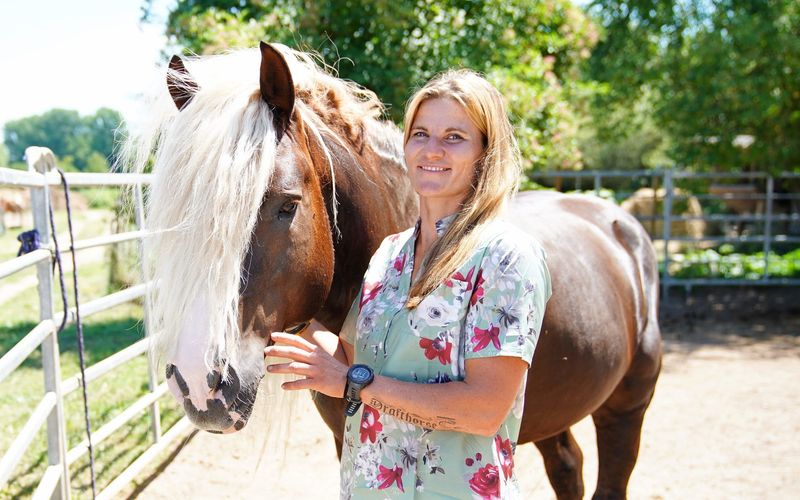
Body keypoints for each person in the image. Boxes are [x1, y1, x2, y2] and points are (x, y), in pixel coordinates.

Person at [264, 69, 551, 499]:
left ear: (485, 153)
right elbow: (351, 357)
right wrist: (278, 310)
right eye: (420, 133)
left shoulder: (505, 256)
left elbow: (484, 409)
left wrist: (351, 384)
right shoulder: (390, 253)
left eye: (454, 137)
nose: (431, 149)